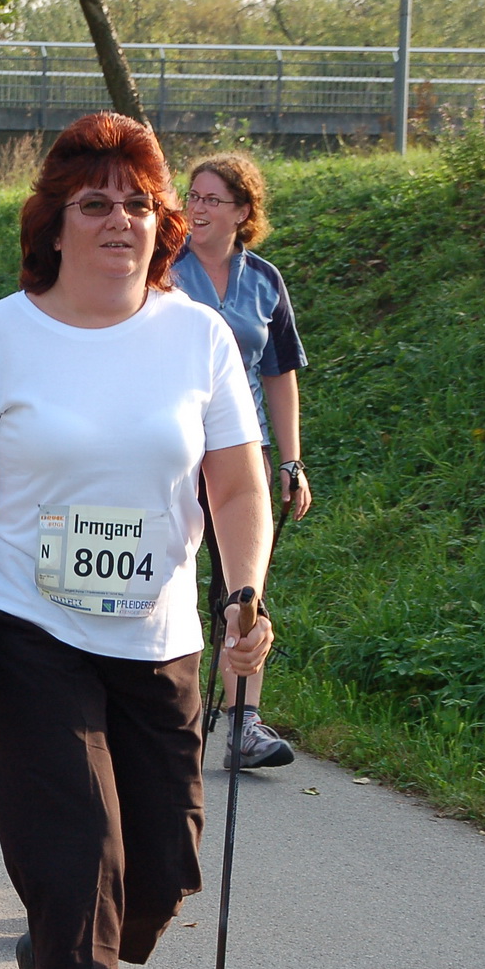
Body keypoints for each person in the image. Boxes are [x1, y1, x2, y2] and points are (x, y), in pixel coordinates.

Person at [0, 112, 273, 969]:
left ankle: (53, 960)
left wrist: (243, 589)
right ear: (55, 223)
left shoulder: (197, 337)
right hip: (28, 631)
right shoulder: (2, 335)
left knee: (153, 880)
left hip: (159, 636)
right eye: (95, 203)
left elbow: (237, 485)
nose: (121, 219)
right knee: (77, 867)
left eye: (138, 202)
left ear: (163, 223)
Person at [171, 152, 311, 771]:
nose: (197, 208)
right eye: (193, 196)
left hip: (240, 451)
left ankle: (242, 722)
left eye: (212, 199)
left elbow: (278, 373)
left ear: (242, 211)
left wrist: (291, 461)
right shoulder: (163, 269)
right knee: (169, 573)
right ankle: (167, 710)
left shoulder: (264, 281)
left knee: (240, 587)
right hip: (173, 446)